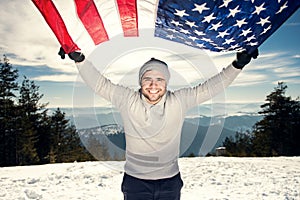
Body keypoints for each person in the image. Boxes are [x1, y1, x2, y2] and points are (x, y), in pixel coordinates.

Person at [62, 49, 258, 200]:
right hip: (136, 183)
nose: (153, 85)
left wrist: (237, 65)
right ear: (140, 82)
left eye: (159, 79)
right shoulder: (127, 99)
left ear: (166, 83)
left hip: (170, 182)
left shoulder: (179, 101)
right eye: (147, 79)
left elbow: (211, 87)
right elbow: (100, 84)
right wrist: (80, 59)